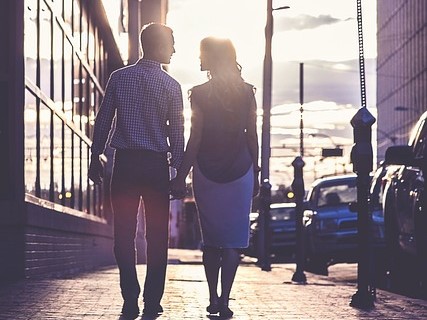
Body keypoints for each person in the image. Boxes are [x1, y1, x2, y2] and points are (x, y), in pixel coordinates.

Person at [88, 23, 184, 319]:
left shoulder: (119, 78)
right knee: (158, 237)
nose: (174, 49)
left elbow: (104, 120)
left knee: (123, 235)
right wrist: (178, 173)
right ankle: (152, 301)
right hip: (155, 167)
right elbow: (178, 135)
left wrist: (95, 156)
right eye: (171, 43)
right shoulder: (172, 86)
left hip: (126, 165)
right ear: (157, 45)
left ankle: (130, 295)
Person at [170, 36, 259, 318]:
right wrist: (256, 173)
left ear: (213, 57)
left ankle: (212, 298)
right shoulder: (247, 92)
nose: (198, 59)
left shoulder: (198, 93)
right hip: (240, 172)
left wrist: (180, 176)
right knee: (232, 241)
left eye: (201, 54)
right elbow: (252, 136)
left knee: (212, 241)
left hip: (207, 173)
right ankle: (225, 301)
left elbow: (194, 140)